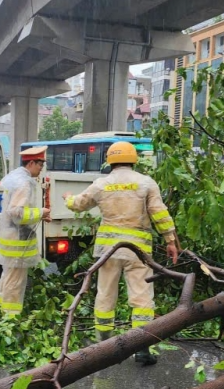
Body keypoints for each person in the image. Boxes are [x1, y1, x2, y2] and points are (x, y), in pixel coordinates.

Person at [62, 141, 178, 366]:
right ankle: (142, 349)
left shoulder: (101, 184)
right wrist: (170, 240)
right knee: (142, 300)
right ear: (133, 159)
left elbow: (78, 204)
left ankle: (102, 348)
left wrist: (67, 198)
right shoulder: (146, 182)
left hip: (108, 252)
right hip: (138, 251)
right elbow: (160, 213)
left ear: (110, 160)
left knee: (105, 295)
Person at [0, 146, 51, 317]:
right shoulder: (24, 182)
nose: (41, 168)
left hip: (9, 240)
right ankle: (10, 320)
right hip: (17, 243)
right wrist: (41, 212)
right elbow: (17, 213)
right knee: (15, 282)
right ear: (31, 163)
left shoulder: (12, 177)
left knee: (7, 277)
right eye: (40, 164)